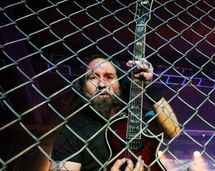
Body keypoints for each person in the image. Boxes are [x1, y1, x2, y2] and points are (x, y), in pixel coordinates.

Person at [49, 54, 181, 171]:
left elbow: (174, 131)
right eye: (92, 77)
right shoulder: (71, 132)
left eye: (109, 76)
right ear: (83, 87)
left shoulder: (137, 116)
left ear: (120, 82)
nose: (101, 84)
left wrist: (149, 86)